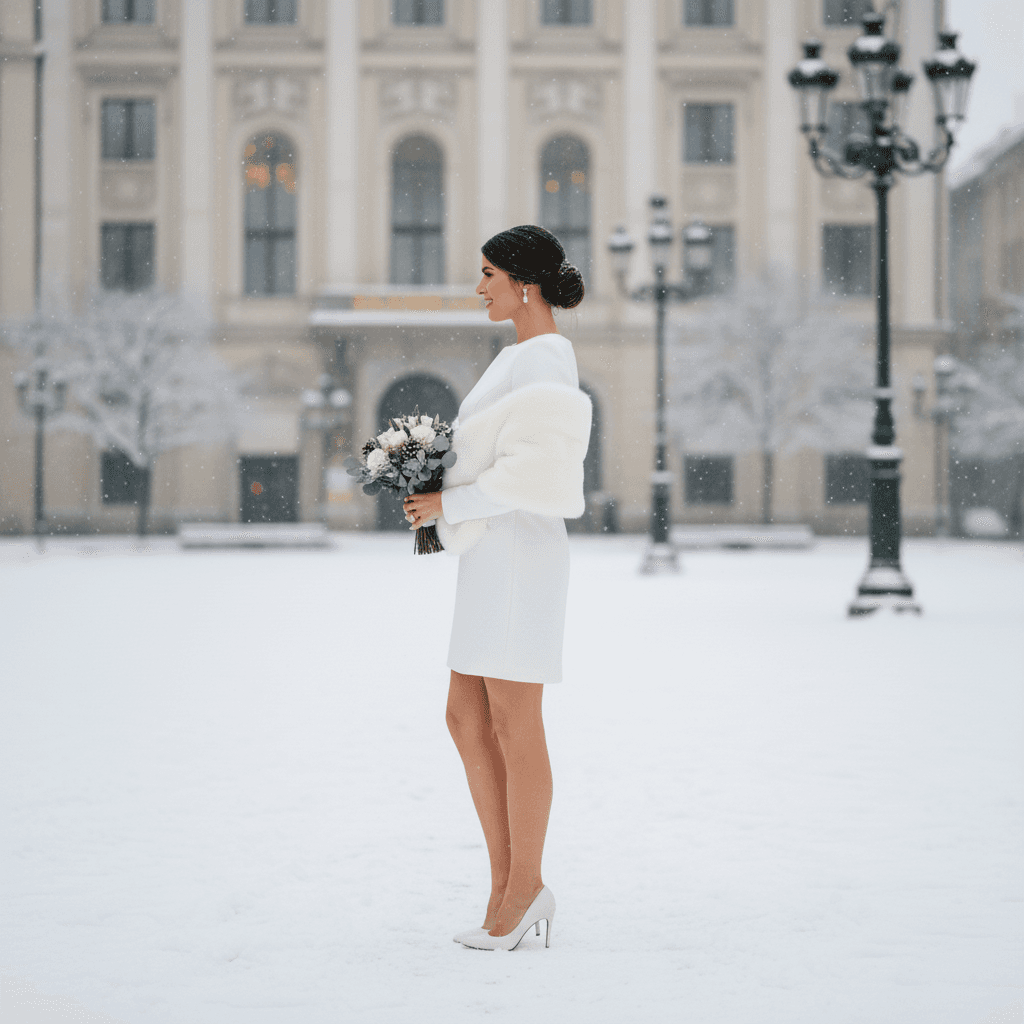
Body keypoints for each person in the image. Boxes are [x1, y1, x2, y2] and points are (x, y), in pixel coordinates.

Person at [402, 225, 591, 951]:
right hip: (493, 555)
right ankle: (507, 881)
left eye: (487, 273)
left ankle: (523, 888)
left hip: (521, 554)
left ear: (525, 282)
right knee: (465, 715)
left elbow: (537, 474)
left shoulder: (546, 359)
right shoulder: (521, 356)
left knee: (515, 722)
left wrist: (447, 503)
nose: (479, 287)